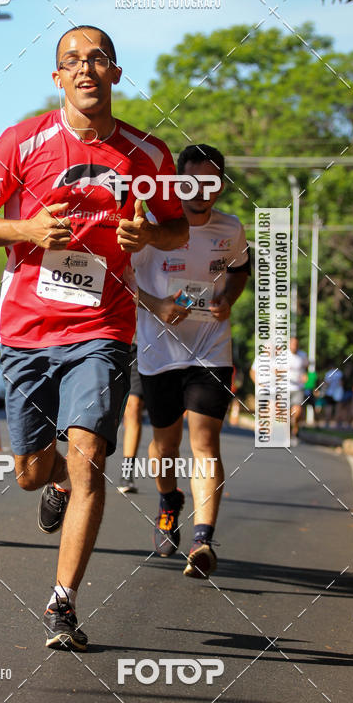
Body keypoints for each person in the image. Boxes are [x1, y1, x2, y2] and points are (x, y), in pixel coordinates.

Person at [0, 25, 188, 649]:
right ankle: (52, 478)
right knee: (30, 472)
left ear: (115, 72)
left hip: (103, 327)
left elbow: (174, 231)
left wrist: (149, 240)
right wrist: (27, 229)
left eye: (97, 60)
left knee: (90, 456)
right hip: (28, 328)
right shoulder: (22, 140)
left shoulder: (148, 155)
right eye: (71, 62)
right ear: (57, 77)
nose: (85, 70)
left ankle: (63, 603)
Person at [134, 143, 250, 579]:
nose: (202, 190)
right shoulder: (149, 228)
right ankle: (168, 500)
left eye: (211, 181)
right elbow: (118, 281)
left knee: (205, 442)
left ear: (221, 184)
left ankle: (203, 539)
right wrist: (157, 304)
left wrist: (226, 301)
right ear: (177, 181)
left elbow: (239, 270)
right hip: (158, 352)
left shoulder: (231, 229)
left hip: (210, 348)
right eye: (193, 181)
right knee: (165, 446)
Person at [117, 340, 145, 494]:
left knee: (134, 407)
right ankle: (127, 472)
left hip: (152, 346)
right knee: (131, 407)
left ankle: (127, 472)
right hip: (125, 341)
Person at [288, 337, 308, 439]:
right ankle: (288, 428)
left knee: (297, 411)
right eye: (292, 344)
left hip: (298, 388)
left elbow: (305, 368)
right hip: (285, 387)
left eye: (296, 344)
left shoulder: (303, 355)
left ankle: (295, 427)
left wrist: (305, 376)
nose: (294, 346)